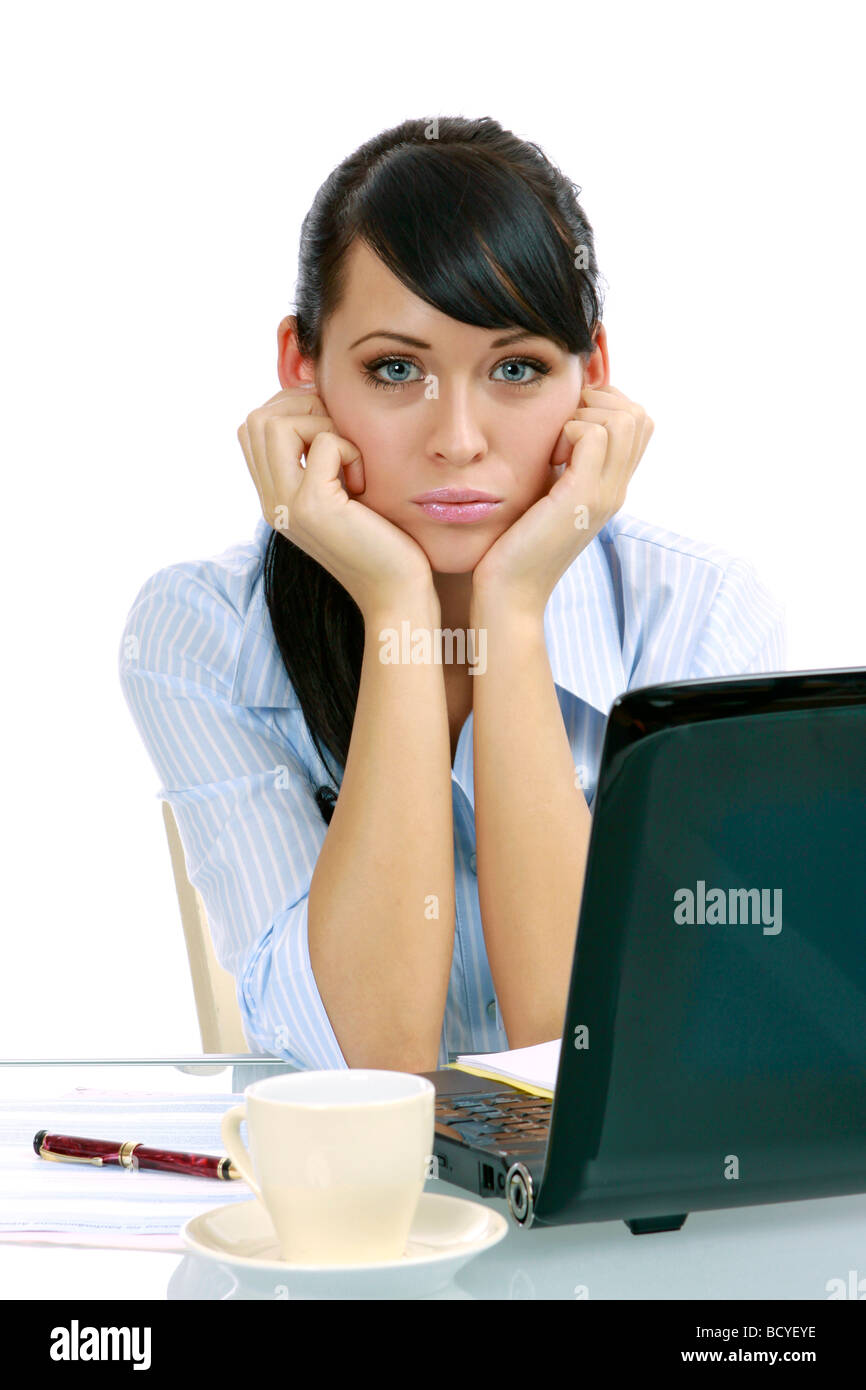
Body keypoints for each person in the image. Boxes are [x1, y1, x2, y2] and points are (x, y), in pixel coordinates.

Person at [118, 115, 786, 1074]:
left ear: (591, 377)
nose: (460, 439)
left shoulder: (701, 613)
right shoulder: (201, 632)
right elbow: (372, 1063)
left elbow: (597, 1062)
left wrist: (511, 617)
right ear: (299, 370)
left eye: (516, 369)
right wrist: (397, 608)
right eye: (397, 369)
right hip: (370, 1218)